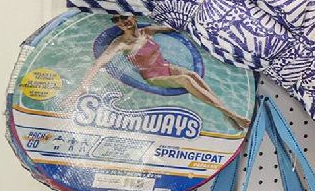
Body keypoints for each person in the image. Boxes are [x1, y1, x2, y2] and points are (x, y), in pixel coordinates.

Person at [69, 15, 252, 130]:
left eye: (124, 17)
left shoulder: (146, 31)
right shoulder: (121, 44)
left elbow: (173, 28)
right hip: (154, 77)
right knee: (185, 80)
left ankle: (226, 114)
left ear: (133, 17)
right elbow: (99, 62)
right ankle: (230, 113)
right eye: (116, 20)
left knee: (194, 75)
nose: (121, 22)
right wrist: (83, 87)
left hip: (166, 66)